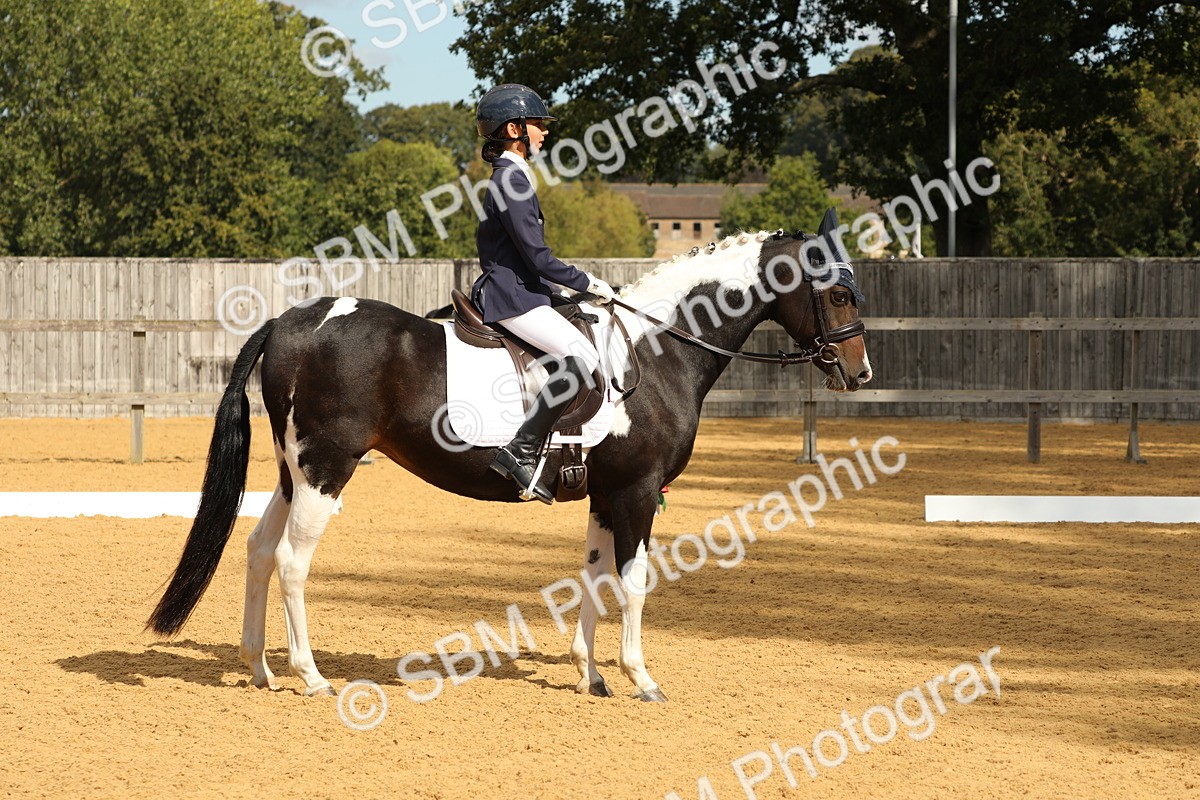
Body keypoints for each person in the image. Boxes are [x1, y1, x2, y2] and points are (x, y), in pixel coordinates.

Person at [470, 84, 616, 504]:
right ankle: (521, 450)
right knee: (582, 360)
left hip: (523, 289)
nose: (544, 133)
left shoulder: (512, 176)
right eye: (537, 125)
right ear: (514, 128)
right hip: (510, 296)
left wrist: (560, 293)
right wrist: (588, 283)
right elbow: (537, 256)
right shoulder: (511, 178)